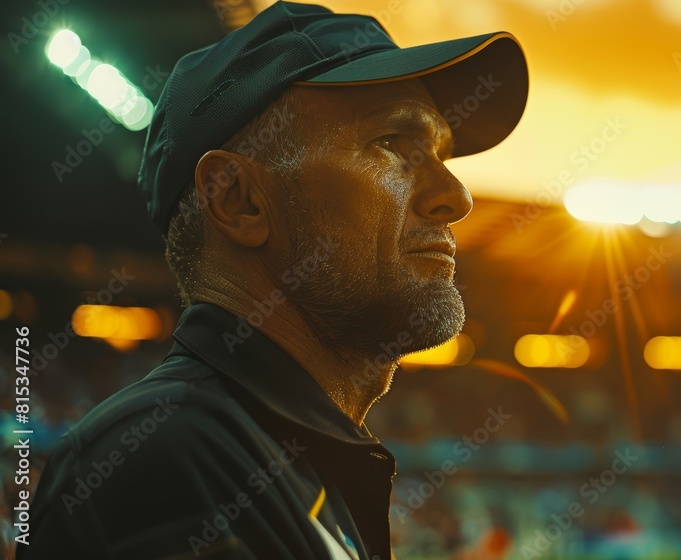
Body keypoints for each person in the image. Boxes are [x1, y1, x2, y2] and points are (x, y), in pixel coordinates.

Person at [18, 2, 527, 558]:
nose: (456, 197)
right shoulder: (166, 464)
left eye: (440, 154)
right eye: (389, 145)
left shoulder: (274, 462)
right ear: (238, 200)